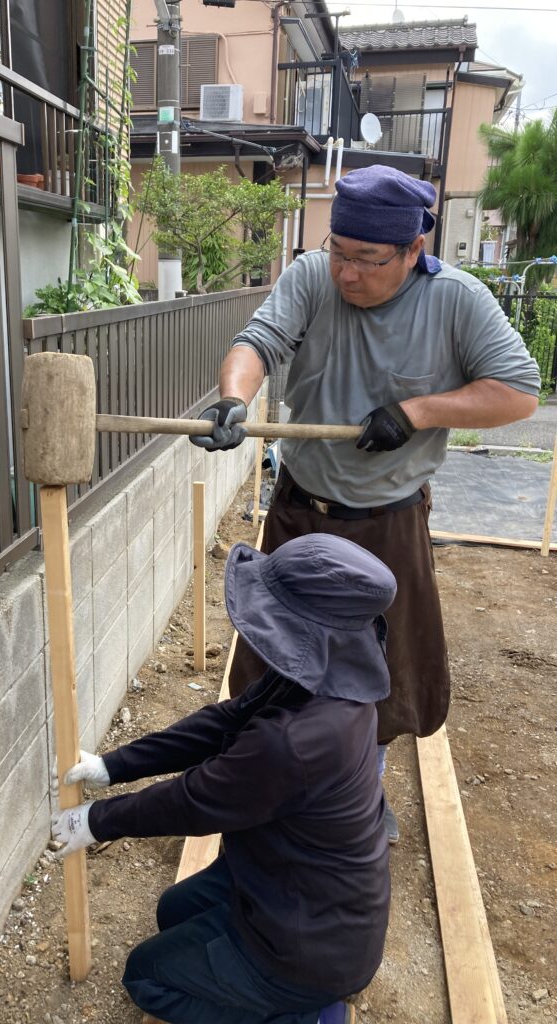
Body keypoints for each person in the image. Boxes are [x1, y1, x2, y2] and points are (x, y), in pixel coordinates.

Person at [190, 164, 541, 843]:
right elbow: (257, 343)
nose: (347, 274)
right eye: (339, 252)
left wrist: (418, 410)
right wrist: (235, 398)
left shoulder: (456, 301)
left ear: (413, 250)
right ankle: (275, 795)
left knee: (374, 682)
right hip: (300, 510)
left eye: (367, 260)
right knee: (277, 665)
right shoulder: (313, 278)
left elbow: (519, 392)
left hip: (389, 523)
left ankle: (357, 799)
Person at [52, 533, 397, 1024]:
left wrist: (98, 820)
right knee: (174, 910)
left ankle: (311, 1016)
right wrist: (115, 765)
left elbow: (195, 800)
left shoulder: (295, 741)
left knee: (145, 976)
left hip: (308, 947)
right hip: (298, 888)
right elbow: (226, 721)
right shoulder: (329, 682)